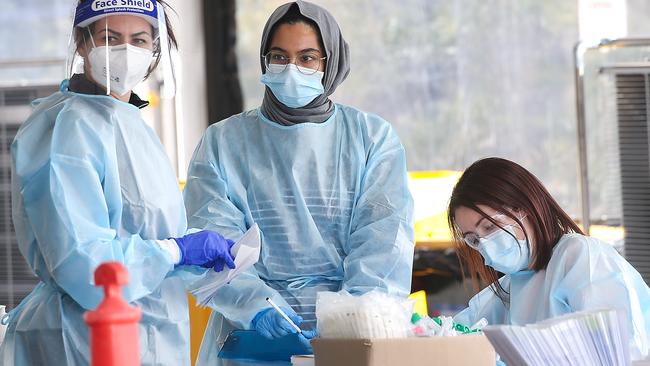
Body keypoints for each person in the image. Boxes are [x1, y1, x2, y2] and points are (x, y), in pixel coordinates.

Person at [0, 1, 236, 365]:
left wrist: (190, 258)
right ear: (82, 43)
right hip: (83, 339)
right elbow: (84, 266)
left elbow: (141, 235)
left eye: (139, 39)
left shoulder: (128, 122)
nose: (126, 52)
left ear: (155, 47)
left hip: (148, 332)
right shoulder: (69, 128)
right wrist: (176, 251)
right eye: (110, 38)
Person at [183, 1, 414, 364]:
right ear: (264, 60)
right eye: (279, 56)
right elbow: (212, 238)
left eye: (307, 58)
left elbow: (384, 243)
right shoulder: (223, 142)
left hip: (346, 340)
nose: (291, 69)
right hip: (251, 337)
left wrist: (348, 320)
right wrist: (254, 304)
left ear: (331, 63)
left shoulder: (370, 139)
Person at [448, 157, 650, 360]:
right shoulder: (507, 290)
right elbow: (451, 336)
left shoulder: (580, 258)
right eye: (473, 239)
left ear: (522, 207)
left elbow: (620, 352)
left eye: (489, 227)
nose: (485, 245)